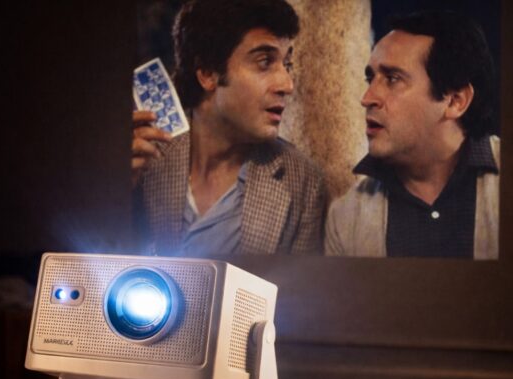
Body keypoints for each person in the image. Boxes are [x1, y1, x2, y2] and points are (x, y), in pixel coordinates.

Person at [132, 0, 325, 257]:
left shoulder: (303, 182)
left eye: (287, 64)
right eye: (264, 62)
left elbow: (300, 283)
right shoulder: (143, 157)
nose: (287, 85)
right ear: (208, 73)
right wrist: (114, 187)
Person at [326, 10, 499, 259]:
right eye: (370, 78)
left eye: (393, 79)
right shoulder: (346, 219)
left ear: (455, 101)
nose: (367, 98)